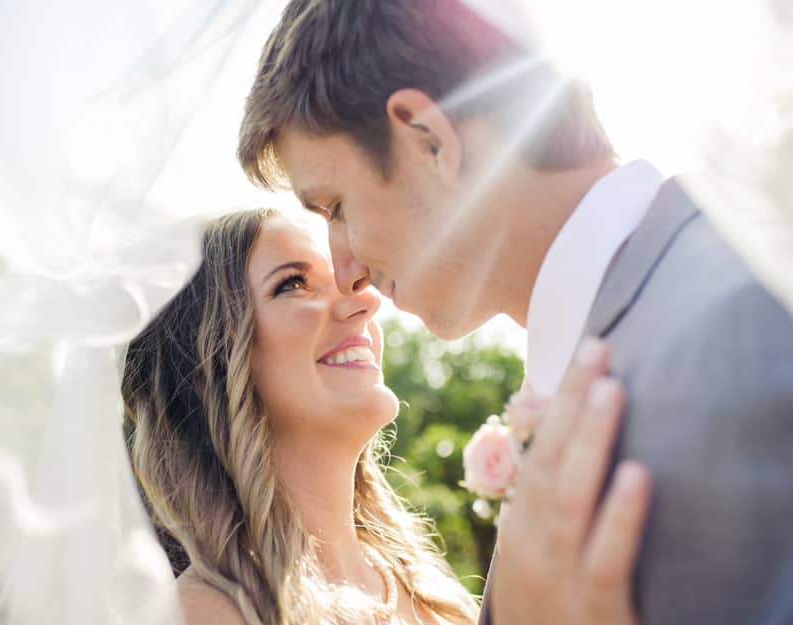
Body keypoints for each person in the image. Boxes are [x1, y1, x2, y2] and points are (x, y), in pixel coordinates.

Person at [236, 2, 793, 625]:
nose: (347, 273)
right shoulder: (671, 303)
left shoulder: (747, 326)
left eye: (336, 207)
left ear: (428, 141)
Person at [120, 208, 650, 625]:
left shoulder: (424, 586)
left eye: (347, 283)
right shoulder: (202, 614)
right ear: (206, 367)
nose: (365, 304)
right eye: (294, 284)